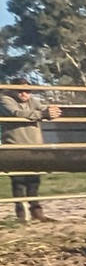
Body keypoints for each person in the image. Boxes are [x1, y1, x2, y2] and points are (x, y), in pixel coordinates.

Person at [0, 89, 45, 221]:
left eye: (28, 91)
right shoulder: (5, 100)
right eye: (20, 91)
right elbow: (16, 113)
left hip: (34, 146)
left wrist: (53, 111)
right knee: (18, 181)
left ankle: (36, 212)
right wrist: (43, 114)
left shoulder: (33, 101)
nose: (24, 94)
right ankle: (21, 214)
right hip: (15, 146)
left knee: (34, 181)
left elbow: (45, 109)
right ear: (13, 91)